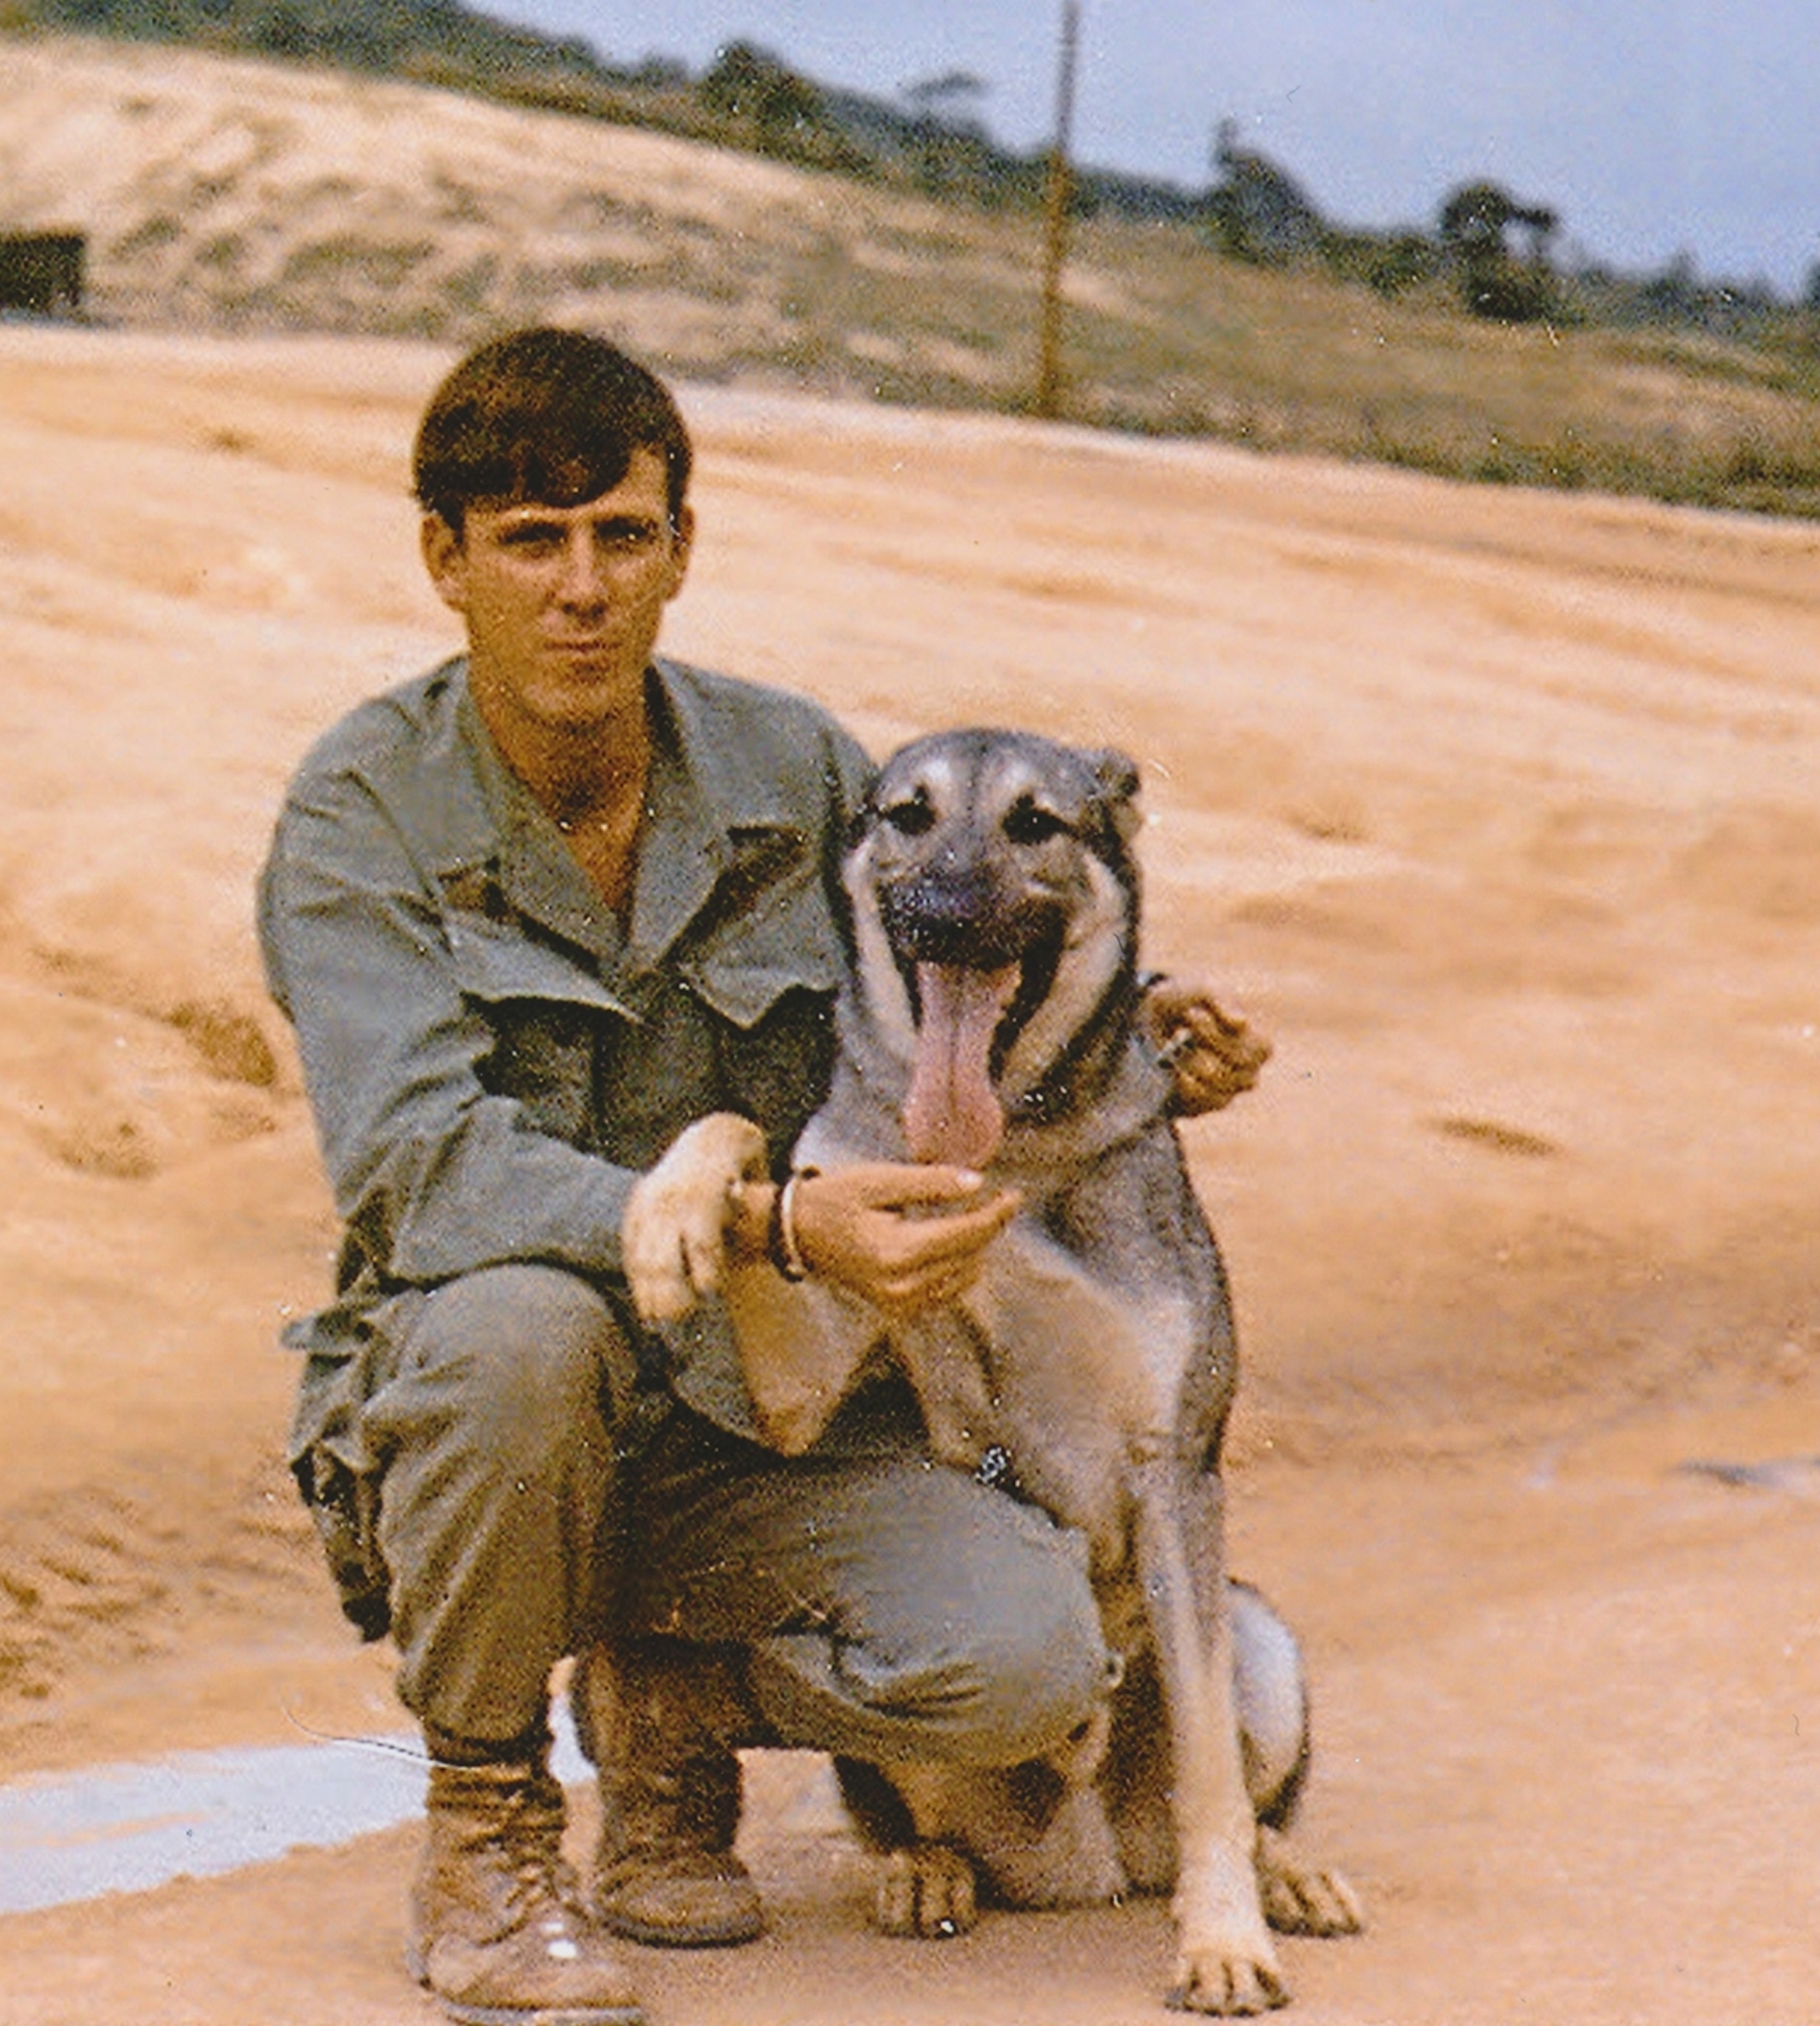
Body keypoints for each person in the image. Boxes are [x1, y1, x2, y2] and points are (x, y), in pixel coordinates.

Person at [256, 327, 1269, 2026]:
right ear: (447, 559)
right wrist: (755, 1214)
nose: (581, 588)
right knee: (519, 1334)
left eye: (621, 536)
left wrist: (1128, 1039)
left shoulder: (793, 769)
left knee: (1019, 1659)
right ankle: (492, 1833)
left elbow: (942, 960)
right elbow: (418, 1172)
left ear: (679, 549)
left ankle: (675, 1690)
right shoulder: (361, 813)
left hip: (758, 1411)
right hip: (486, 1420)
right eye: (530, 539)